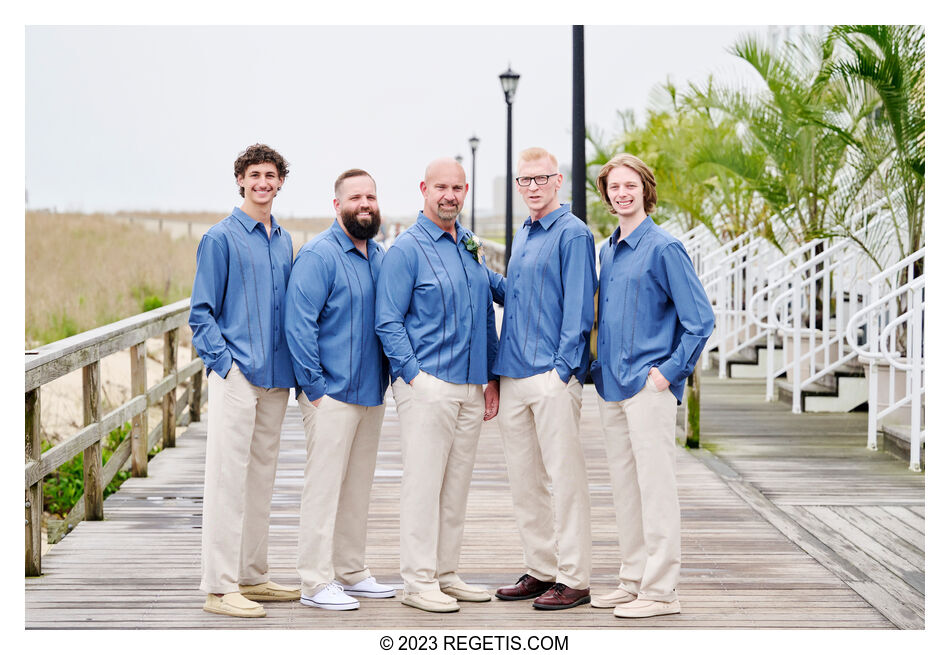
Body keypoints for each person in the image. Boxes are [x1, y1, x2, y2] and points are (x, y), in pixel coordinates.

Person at [590, 154, 714, 619]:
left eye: (630, 185)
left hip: (649, 388)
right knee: (625, 489)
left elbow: (700, 320)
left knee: (656, 489)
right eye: (614, 187)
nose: (622, 193)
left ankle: (661, 592)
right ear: (606, 195)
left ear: (645, 190)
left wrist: (667, 373)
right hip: (611, 386)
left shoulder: (664, 248)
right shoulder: (608, 250)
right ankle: (632, 579)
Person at [375, 158, 500, 613]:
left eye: (457, 188)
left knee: (455, 488)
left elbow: (486, 309)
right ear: (424, 189)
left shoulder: (469, 244)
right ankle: (418, 580)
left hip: (470, 385)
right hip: (428, 385)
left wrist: (489, 379)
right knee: (423, 485)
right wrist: (414, 377)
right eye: (441, 187)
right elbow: (387, 320)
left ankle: (445, 573)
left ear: (466, 191)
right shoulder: (406, 249)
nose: (449, 195)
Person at [189, 143, 300, 618]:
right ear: (240, 180)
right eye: (254, 174)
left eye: (270, 175)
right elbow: (201, 314)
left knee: (261, 481)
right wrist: (226, 367)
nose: (262, 182)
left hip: (275, 379)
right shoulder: (221, 238)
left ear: (279, 182)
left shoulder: (284, 240)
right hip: (237, 375)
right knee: (227, 482)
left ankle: (252, 576)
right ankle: (219, 587)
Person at [488, 147, 597, 610]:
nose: (532, 187)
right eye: (524, 180)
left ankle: (574, 576)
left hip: (552, 374)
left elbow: (578, 309)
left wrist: (562, 371)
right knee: (525, 480)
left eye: (540, 178)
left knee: (564, 477)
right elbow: (518, 295)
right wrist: (476, 271)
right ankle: (541, 567)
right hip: (512, 373)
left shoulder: (573, 234)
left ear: (558, 182)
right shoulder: (525, 233)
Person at [284, 169, 394, 611]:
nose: (364, 204)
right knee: (324, 487)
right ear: (337, 205)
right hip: (328, 394)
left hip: (370, 393)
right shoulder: (319, 255)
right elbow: (299, 323)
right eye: (355, 198)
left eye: (370, 196)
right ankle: (314, 580)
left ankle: (351, 571)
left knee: (357, 488)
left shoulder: (381, 256)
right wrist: (314, 387)